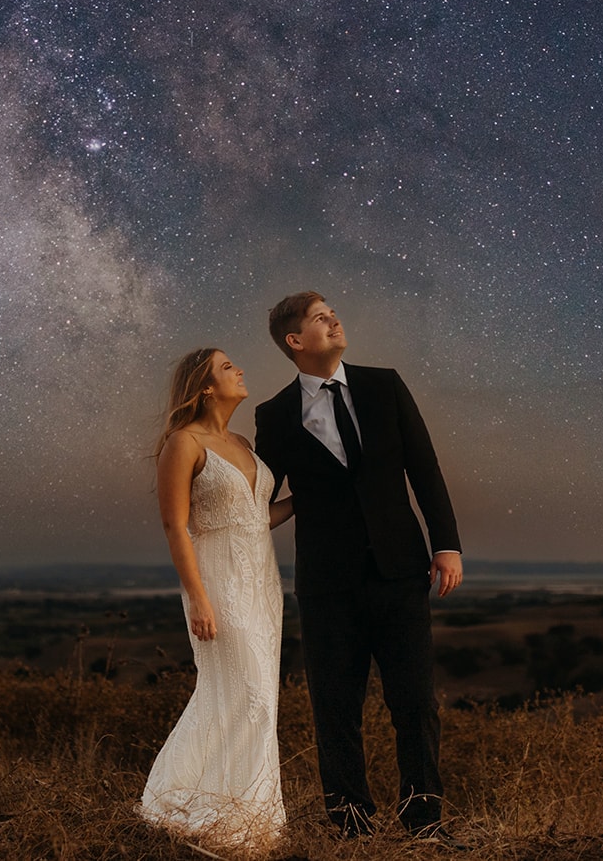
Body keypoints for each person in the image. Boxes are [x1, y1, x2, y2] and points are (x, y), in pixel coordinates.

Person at [254, 292, 467, 846]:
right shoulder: (274, 416)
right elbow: (259, 497)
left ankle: (425, 823)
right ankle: (350, 828)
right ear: (295, 341)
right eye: (320, 317)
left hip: (400, 571)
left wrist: (446, 543)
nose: (334, 318)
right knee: (336, 710)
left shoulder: (384, 385)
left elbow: (424, 465)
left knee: (415, 703)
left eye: (333, 311)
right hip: (326, 585)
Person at [139, 348, 293, 854]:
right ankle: (182, 805)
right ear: (204, 386)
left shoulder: (243, 443)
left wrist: (315, 496)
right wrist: (198, 598)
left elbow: (256, 518)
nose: (240, 370)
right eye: (228, 367)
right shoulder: (183, 443)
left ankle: (251, 817)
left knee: (259, 700)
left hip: (263, 586)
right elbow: (173, 525)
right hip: (218, 585)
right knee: (243, 695)